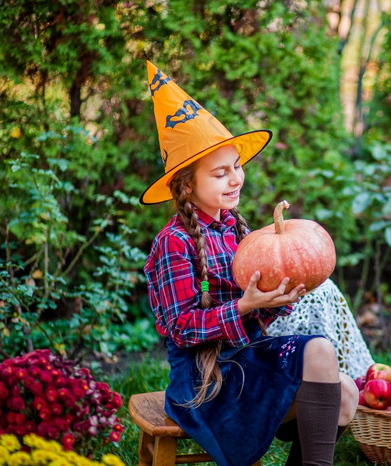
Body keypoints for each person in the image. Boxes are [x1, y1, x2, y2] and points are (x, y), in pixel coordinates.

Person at [141, 61, 358, 466]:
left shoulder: (238, 232)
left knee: (343, 389)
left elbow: (254, 319)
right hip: (205, 384)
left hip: (247, 360)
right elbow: (182, 328)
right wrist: (243, 306)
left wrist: (281, 297)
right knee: (330, 374)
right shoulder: (175, 242)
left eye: (237, 167)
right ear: (187, 185)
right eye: (221, 173)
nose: (236, 179)